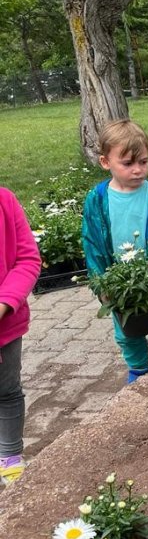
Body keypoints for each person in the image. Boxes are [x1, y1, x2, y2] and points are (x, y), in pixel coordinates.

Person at [82, 120, 148, 382]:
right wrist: (102, 284)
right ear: (105, 162)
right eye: (127, 163)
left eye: (143, 161)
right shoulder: (97, 199)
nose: (138, 170)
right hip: (121, 287)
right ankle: (138, 372)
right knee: (127, 335)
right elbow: (92, 243)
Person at [0, 187, 40, 485]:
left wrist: (4, 304)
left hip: (5, 327)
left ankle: (10, 456)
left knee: (7, 391)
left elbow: (27, 260)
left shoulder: (5, 201)